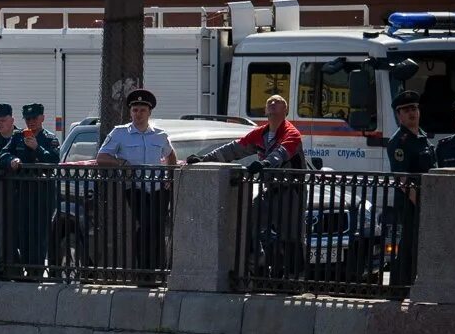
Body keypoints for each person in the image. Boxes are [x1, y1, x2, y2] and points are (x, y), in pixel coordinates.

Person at [189, 94, 307, 278]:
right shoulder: (261, 133)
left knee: (291, 236)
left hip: (291, 191)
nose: (272, 104)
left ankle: (294, 280)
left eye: (277, 102)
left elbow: (281, 153)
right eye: (269, 102)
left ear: (286, 110)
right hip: (270, 190)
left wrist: (265, 164)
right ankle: (257, 265)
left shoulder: (292, 133)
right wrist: (204, 158)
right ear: (265, 111)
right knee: (247, 222)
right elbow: (234, 148)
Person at [97, 88, 176, 277]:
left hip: (158, 188)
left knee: (156, 227)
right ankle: (144, 270)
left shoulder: (160, 135)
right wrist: (121, 163)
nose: (138, 114)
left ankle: (157, 269)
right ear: (130, 112)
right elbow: (102, 157)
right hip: (135, 187)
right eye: (135, 110)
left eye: (142, 110)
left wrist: (169, 177)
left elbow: (171, 155)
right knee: (145, 225)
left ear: (149, 113)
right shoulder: (119, 133)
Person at [0, 102, 62, 277]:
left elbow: (54, 160)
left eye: (34, 118)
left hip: (42, 193)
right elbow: (3, 155)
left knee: (39, 232)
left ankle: (36, 270)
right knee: (22, 231)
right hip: (22, 192)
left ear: (42, 118)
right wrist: (12, 160)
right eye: (28, 118)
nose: (31, 122)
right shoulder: (18, 136)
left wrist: (37, 148)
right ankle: (24, 268)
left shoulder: (49, 138)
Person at [384, 89, 434, 289]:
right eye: (405, 110)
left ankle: (415, 284)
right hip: (411, 202)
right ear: (399, 115)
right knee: (409, 245)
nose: (411, 113)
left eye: (414, 108)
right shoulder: (399, 142)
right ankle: (399, 288)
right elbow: (402, 179)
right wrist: (422, 203)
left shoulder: (422, 137)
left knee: (421, 245)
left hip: (427, 200)